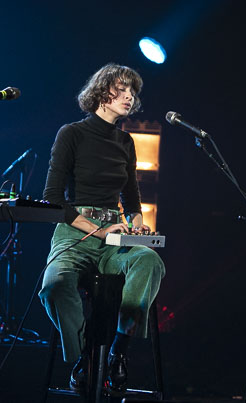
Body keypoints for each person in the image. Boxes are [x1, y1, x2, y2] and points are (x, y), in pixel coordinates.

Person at [39, 63, 165, 392]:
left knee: (149, 260)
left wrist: (137, 226)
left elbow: (133, 200)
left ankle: (117, 352)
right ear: (101, 93)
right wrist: (95, 230)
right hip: (75, 231)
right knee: (54, 285)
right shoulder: (72, 133)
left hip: (115, 231)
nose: (129, 97)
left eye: (132, 92)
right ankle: (83, 356)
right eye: (121, 89)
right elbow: (53, 198)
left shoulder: (125, 141)